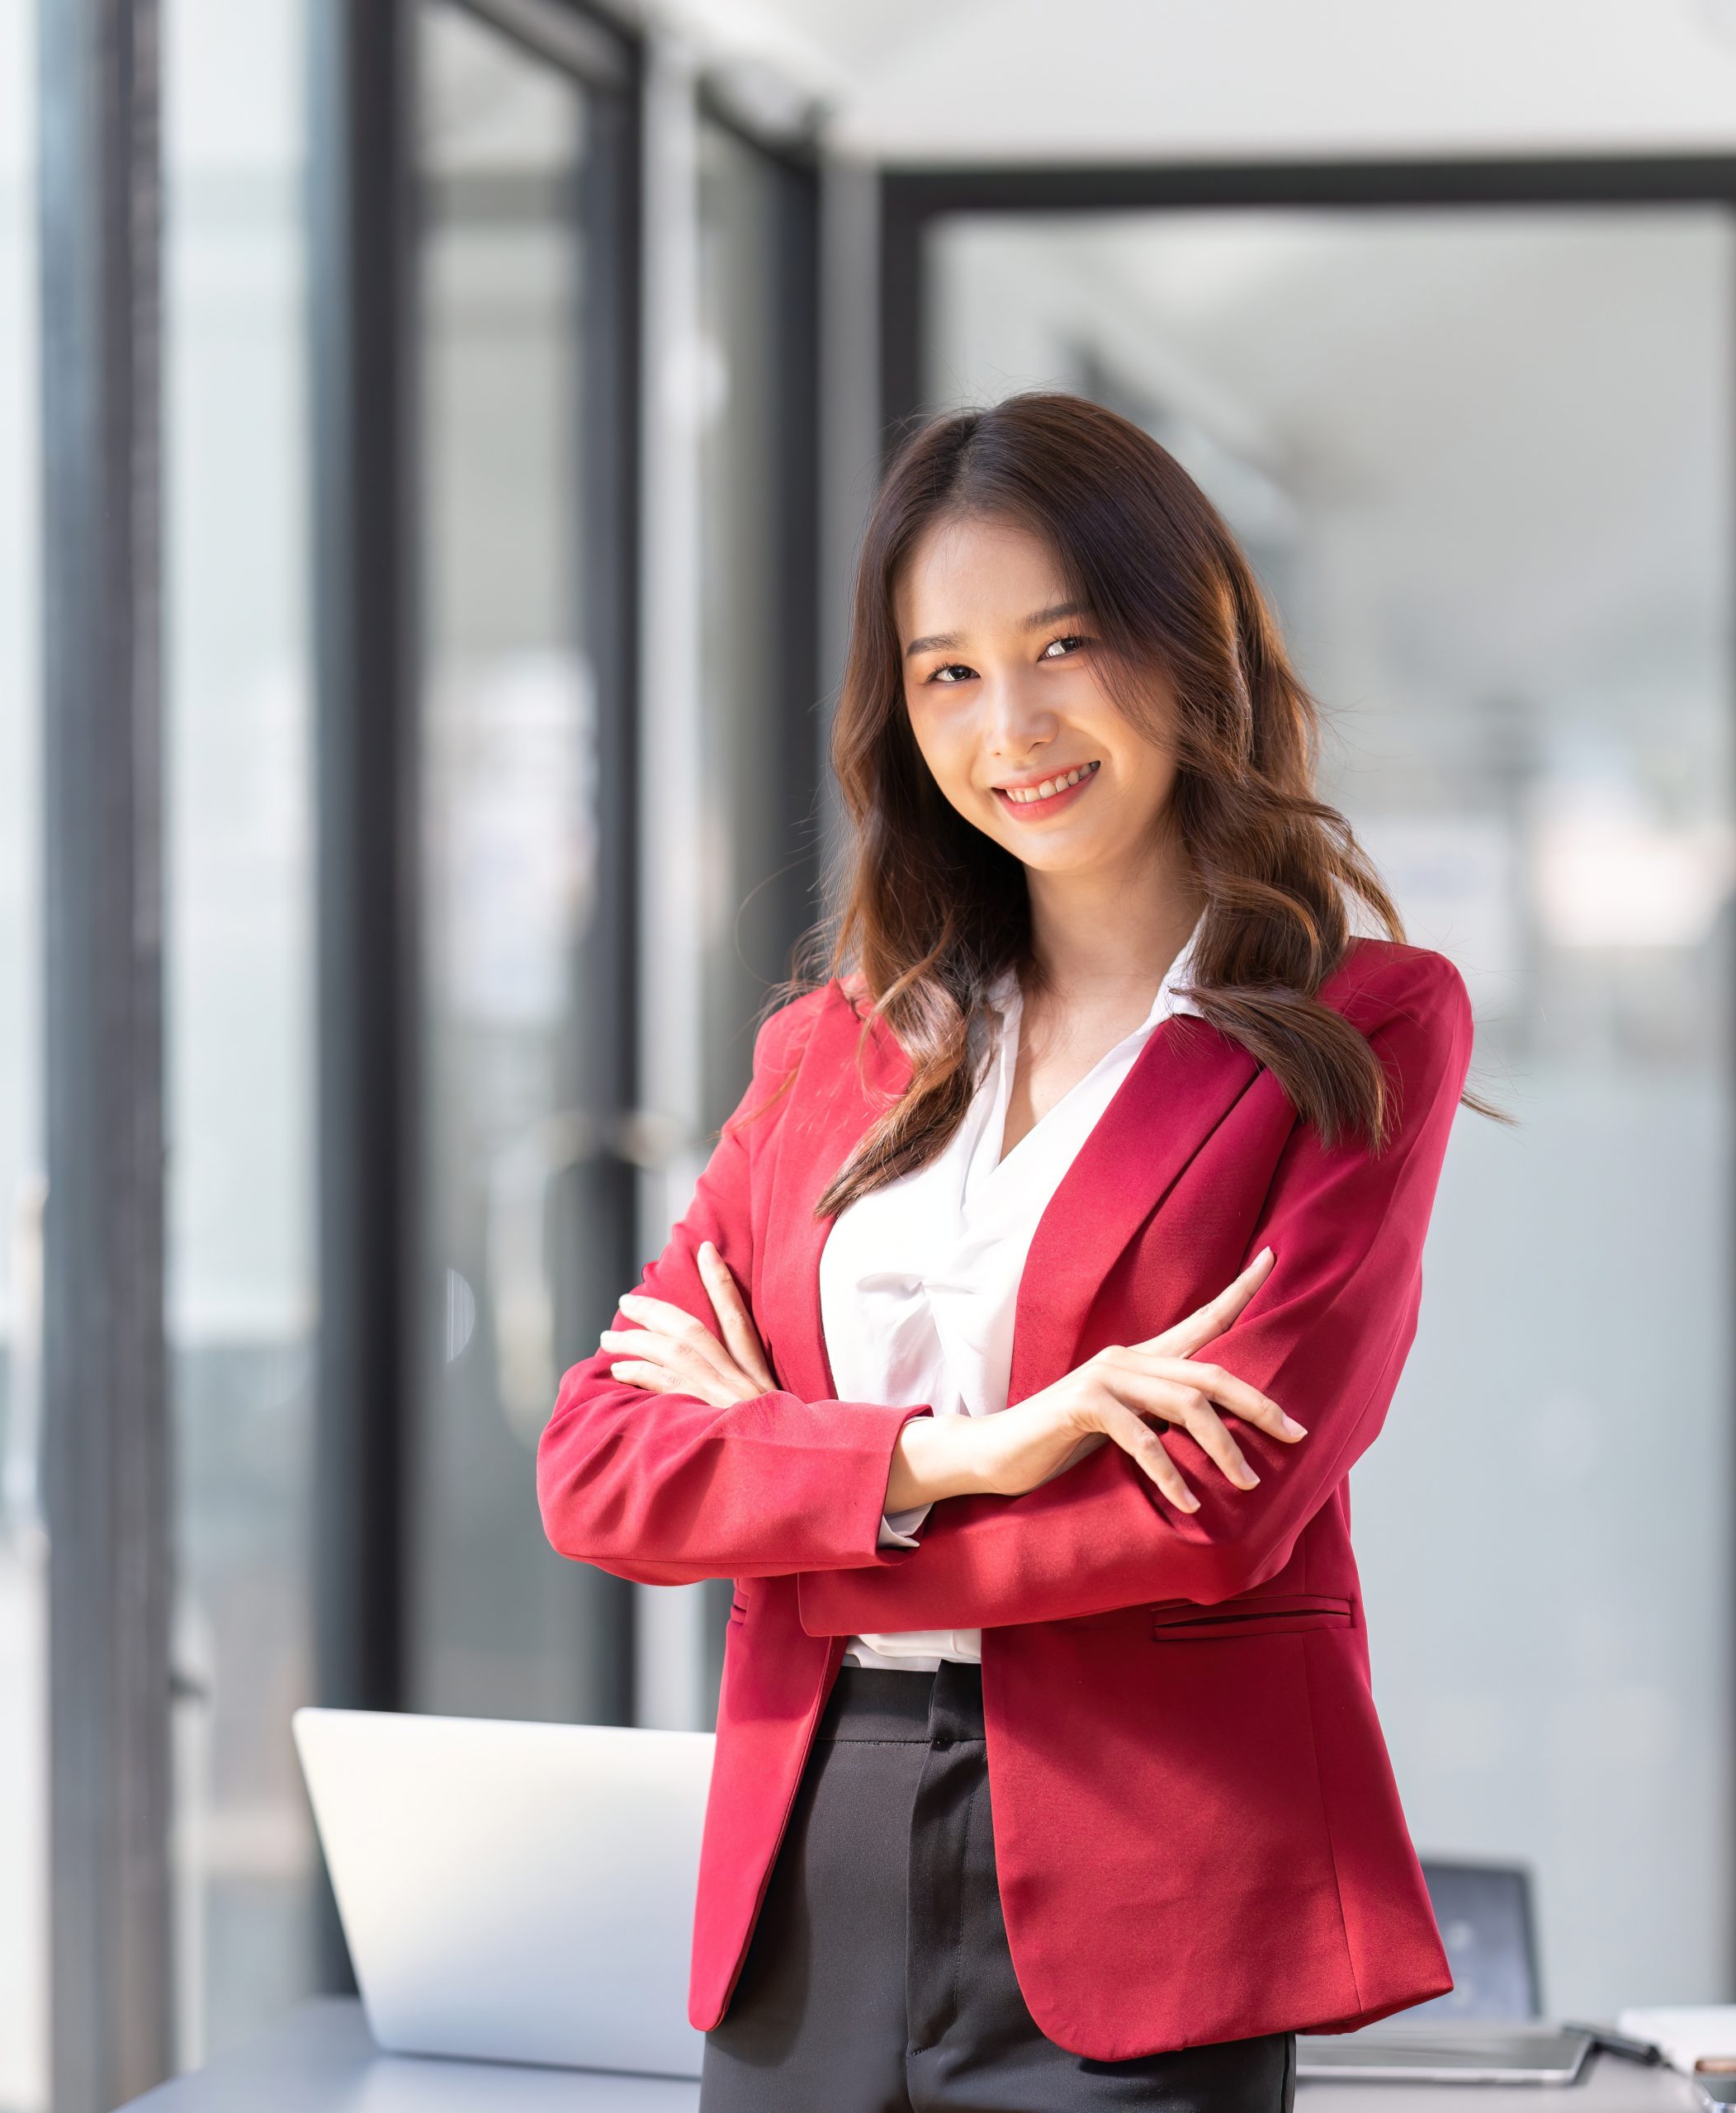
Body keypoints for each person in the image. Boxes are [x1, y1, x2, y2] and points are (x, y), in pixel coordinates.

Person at [536, 390, 1503, 2113]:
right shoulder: (825, 1050)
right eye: (946, 671)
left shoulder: (1357, 1030)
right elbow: (598, 1470)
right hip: (806, 1862)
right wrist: (949, 1451)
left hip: (1154, 1878)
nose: (1011, 722)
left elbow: (1204, 1516)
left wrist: (790, 1504)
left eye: (1060, 642)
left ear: (1184, 636)